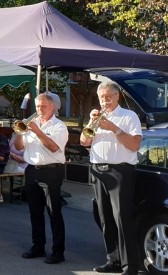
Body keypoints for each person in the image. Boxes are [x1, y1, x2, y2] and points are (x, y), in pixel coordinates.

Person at [80, 82, 142, 275]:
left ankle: (130, 265)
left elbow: (134, 145)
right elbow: (84, 142)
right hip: (98, 170)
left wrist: (114, 128)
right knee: (105, 218)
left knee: (122, 218)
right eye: (101, 97)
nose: (104, 100)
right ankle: (113, 260)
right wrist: (91, 123)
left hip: (120, 172)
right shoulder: (97, 117)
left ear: (117, 97)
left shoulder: (129, 116)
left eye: (108, 96)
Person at [14, 94, 68, 265]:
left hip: (51, 171)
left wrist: (37, 131)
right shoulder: (32, 124)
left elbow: (53, 147)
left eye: (43, 106)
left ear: (52, 107)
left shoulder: (59, 126)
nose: (39, 110)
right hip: (32, 170)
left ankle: (58, 252)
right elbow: (18, 147)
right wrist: (21, 133)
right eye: (37, 106)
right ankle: (38, 246)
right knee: (35, 213)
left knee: (54, 213)